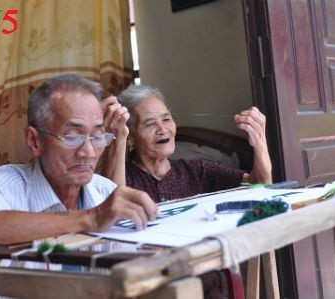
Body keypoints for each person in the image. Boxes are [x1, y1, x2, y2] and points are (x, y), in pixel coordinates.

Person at [0, 74, 158, 246]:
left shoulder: (104, 192)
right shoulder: (7, 186)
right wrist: (89, 218)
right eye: (72, 137)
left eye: (97, 137)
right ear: (34, 140)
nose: (88, 152)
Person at [115, 84, 272, 299]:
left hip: (205, 292)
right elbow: (111, 201)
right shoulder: (124, 179)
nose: (163, 129)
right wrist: (118, 139)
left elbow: (261, 184)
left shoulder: (196, 171)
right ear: (130, 137)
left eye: (167, 119)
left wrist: (260, 142)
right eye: (150, 123)